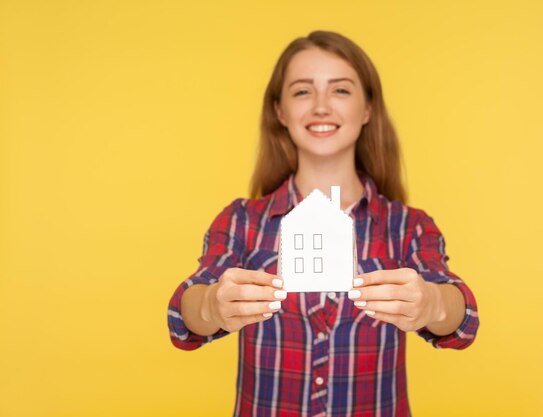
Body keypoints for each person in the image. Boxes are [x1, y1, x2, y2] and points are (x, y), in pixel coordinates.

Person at [167, 30, 479, 416]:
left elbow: (463, 318)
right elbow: (184, 314)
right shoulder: (243, 222)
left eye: (340, 90)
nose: (320, 107)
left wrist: (432, 303)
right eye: (302, 91)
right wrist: (213, 306)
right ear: (280, 111)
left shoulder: (406, 227)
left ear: (367, 109)